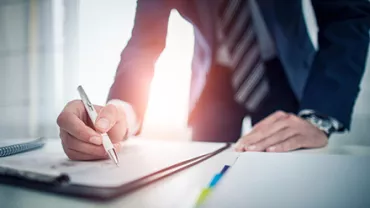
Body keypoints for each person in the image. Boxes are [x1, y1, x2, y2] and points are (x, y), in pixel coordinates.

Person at [57, 0, 370, 160]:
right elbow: (144, 42)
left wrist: (318, 117)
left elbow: (346, 15)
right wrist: (119, 112)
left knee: (292, 171)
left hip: (285, 73)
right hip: (213, 81)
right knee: (204, 171)